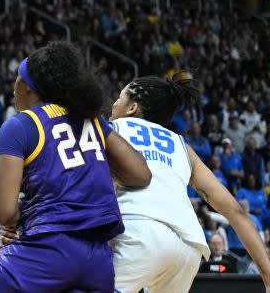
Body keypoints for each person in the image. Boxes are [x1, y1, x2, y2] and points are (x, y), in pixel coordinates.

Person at [0, 42, 152, 292]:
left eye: (17, 79)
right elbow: (140, 174)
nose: (13, 88)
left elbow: (3, 212)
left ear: (29, 88)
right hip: (97, 258)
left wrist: (31, 211)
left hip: (48, 251)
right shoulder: (91, 118)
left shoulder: (20, 126)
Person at [107, 75, 270, 292]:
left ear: (132, 108)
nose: (114, 103)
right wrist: (267, 276)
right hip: (188, 247)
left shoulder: (111, 129)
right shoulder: (181, 145)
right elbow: (235, 211)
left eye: (119, 97)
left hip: (137, 230)